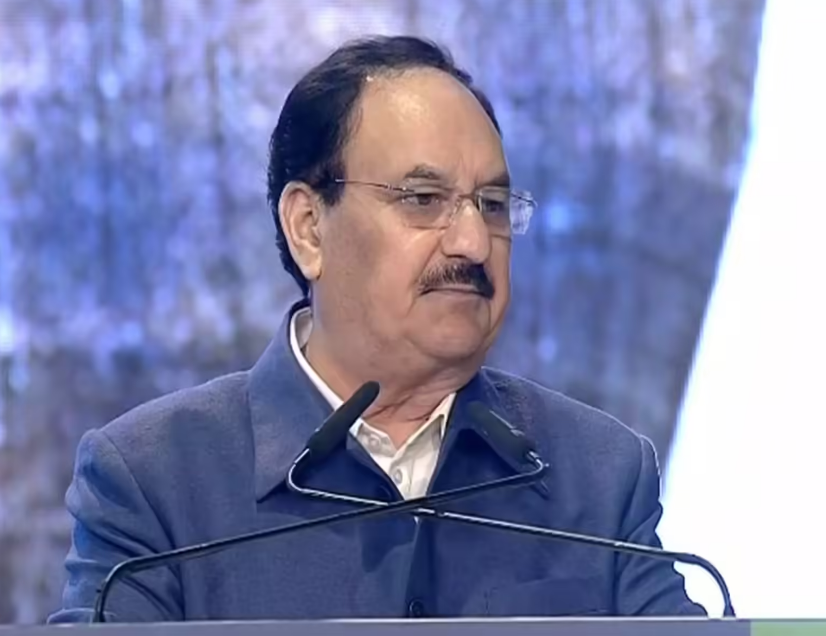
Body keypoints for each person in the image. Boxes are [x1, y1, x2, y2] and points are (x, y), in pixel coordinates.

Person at [50, 35, 704, 622]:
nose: (474, 242)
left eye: (492, 205)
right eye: (423, 200)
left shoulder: (597, 473)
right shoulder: (153, 480)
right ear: (309, 228)